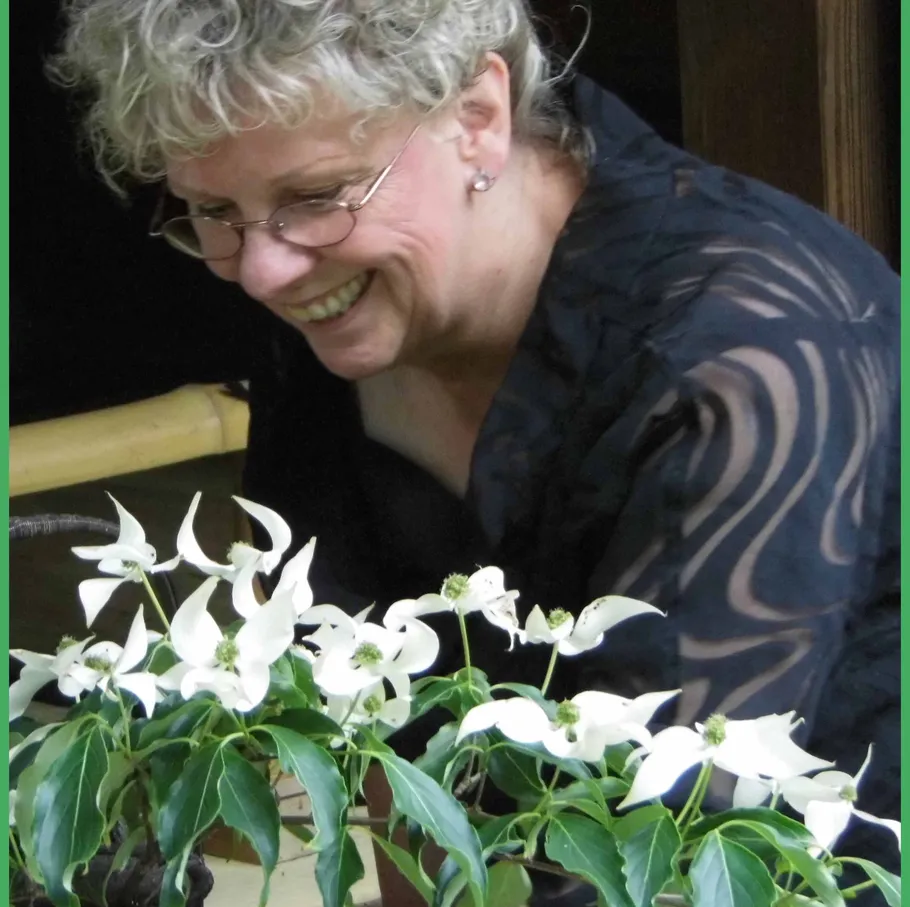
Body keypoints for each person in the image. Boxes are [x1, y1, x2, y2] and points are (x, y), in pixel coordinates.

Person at [52, 0, 900, 902]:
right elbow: (375, 765)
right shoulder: (341, 294)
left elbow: (665, 853)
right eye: (211, 210)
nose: (262, 271)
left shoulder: (742, 358)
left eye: (314, 196)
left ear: (477, 119)